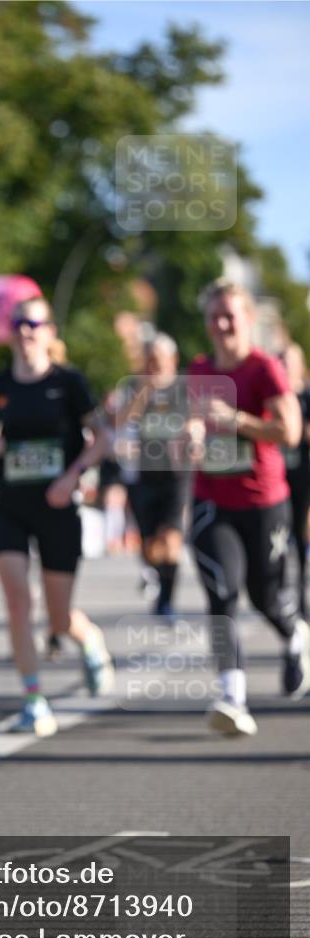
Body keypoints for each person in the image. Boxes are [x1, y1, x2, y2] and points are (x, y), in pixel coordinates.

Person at [0, 296, 113, 737]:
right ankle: (33, 699)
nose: (25, 330)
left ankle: (88, 639)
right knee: (18, 602)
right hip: (10, 503)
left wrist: (72, 477)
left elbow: (102, 439)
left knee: (58, 618)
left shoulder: (69, 382)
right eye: (18, 323)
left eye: (34, 323)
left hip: (57, 506)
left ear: (50, 332)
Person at [189, 279, 310, 737]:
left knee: (267, 598)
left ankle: (294, 633)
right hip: (212, 500)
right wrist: (194, 435)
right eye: (214, 316)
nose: (221, 324)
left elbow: (291, 432)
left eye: (230, 316)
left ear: (247, 320)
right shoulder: (198, 370)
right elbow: (191, 425)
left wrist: (236, 421)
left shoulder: (265, 370)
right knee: (222, 589)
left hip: (264, 501)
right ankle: (232, 695)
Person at [118, 334, 190, 621]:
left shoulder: (184, 389)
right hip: (142, 474)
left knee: (171, 539)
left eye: (158, 361)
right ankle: (155, 575)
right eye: (149, 361)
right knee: (150, 546)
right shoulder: (134, 387)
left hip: (175, 474)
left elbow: (197, 421)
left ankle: (166, 602)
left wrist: (191, 435)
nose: (154, 367)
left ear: (172, 361)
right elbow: (119, 421)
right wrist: (143, 391)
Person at [281, 342, 310, 617]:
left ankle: (302, 596)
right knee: (282, 539)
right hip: (279, 478)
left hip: (305, 475)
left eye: (290, 362)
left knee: (302, 537)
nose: (286, 367)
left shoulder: (307, 395)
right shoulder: (275, 395)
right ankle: (285, 594)